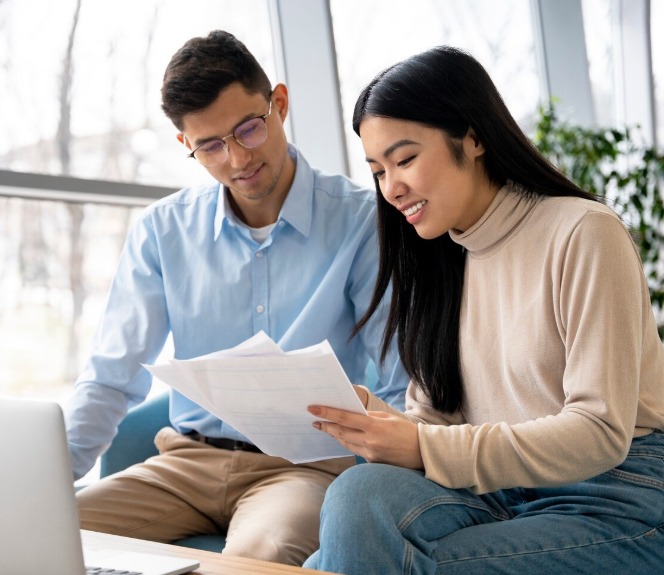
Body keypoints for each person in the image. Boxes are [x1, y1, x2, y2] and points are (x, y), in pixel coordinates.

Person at [303, 46, 664, 575]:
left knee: (341, 563)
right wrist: (384, 425)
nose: (391, 188)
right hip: (500, 489)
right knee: (360, 498)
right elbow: (436, 421)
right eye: (378, 170)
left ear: (473, 138)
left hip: (617, 492)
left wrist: (423, 443)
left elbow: (599, 431)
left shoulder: (583, 233)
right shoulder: (439, 259)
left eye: (404, 160)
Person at [63, 30, 408, 566]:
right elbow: (111, 378)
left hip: (304, 468)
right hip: (185, 463)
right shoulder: (163, 230)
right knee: (47, 531)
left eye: (249, 128)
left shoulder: (364, 221)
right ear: (187, 146)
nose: (237, 158)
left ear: (280, 105)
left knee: (260, 553)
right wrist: (44, 483)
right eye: (211, 146)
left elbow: (398, 383)